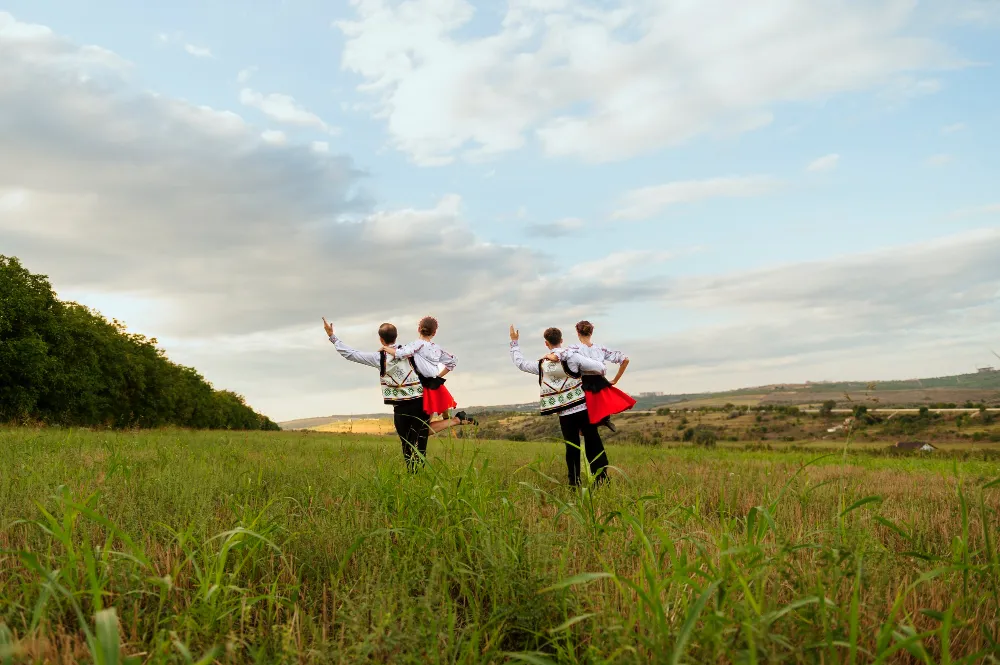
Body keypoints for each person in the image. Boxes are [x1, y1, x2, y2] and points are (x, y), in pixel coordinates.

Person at [323, 317, 474, 471]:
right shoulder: (411, 351)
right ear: (396, 337)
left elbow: (350, 354)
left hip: (400, 406)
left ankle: (413, 473)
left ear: (381, 340)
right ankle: (419, 471)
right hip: (420, 401)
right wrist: (437, 379)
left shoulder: (379, 357)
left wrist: (332, 337)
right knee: (421, 438)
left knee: (407, 443)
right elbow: (438, 360)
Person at [508, 324, 611, 488]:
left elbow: (520, 364)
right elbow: (600, 368)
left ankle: (574, 483)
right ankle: (601, 481)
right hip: (583, 408)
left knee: (572, 448)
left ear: (546, 343)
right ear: (561, 340)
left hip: (564, 414)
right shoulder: (573, 357)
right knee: (594, 443)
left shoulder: (542, 363)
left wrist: (514, 342)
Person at [546, 320, 635, 433]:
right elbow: (625, 360)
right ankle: (604, 419)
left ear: (578, 333)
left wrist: (549, 355)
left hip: (584, 384)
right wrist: (615, 380)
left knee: (584, 420)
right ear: (591, 333)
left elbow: (560, 355)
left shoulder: (574, 348)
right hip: (600, 383)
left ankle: (587, 427)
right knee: (595, 415)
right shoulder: (601, 349)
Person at [382, 316, 474, 424]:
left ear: (419, 329)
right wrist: (439, 377)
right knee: (426, 424)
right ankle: (452, 419)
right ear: (434, 333)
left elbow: (401, 353)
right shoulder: (437, 348)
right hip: (435, 383)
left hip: (422, 385)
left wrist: (385, 348)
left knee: (424, 425)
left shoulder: (416, 344)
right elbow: (452, 361)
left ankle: (455, 420)